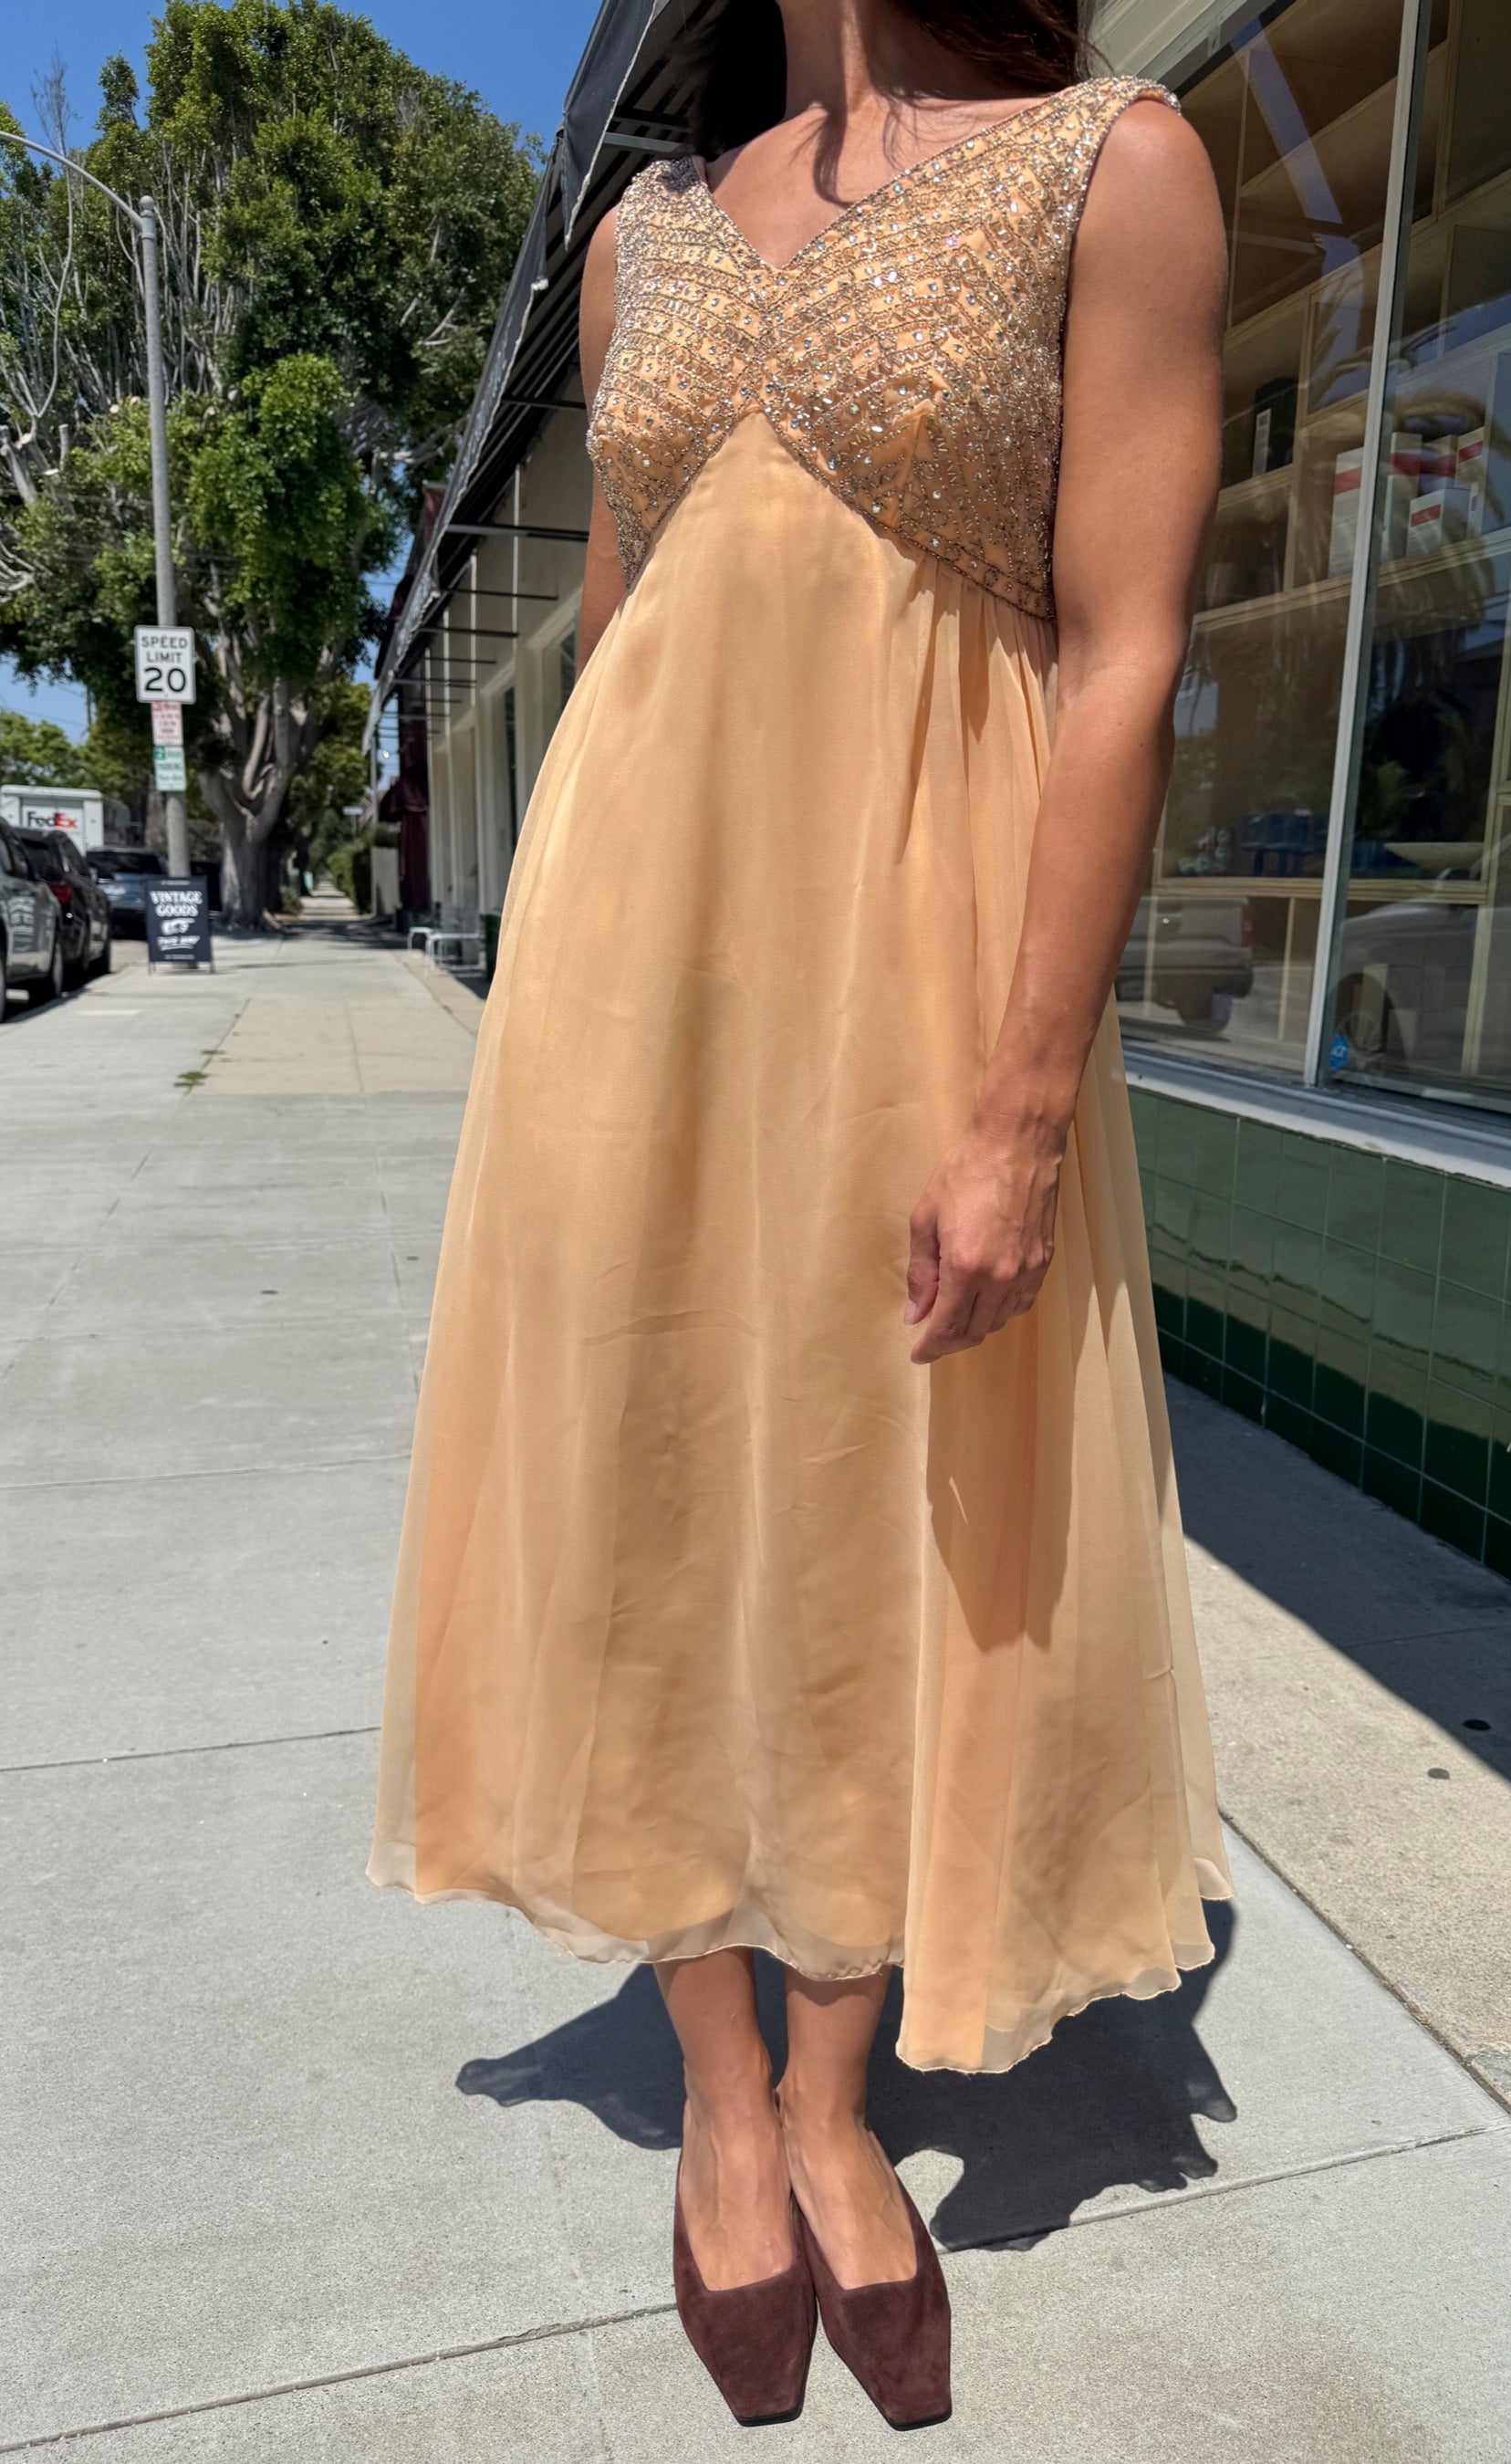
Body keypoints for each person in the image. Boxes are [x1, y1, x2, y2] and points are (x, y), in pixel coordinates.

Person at [370, 0, 1231, 2427]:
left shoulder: (1112, 165)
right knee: (644, 1500)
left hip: (921, 985)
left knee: (878, 1523)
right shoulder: (644, 238)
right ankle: (724, 2104)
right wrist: (568, 1001)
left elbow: (1126, 655)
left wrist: (1024, 1106)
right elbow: (629, 626)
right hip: (632, 989)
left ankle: (839, 2099)